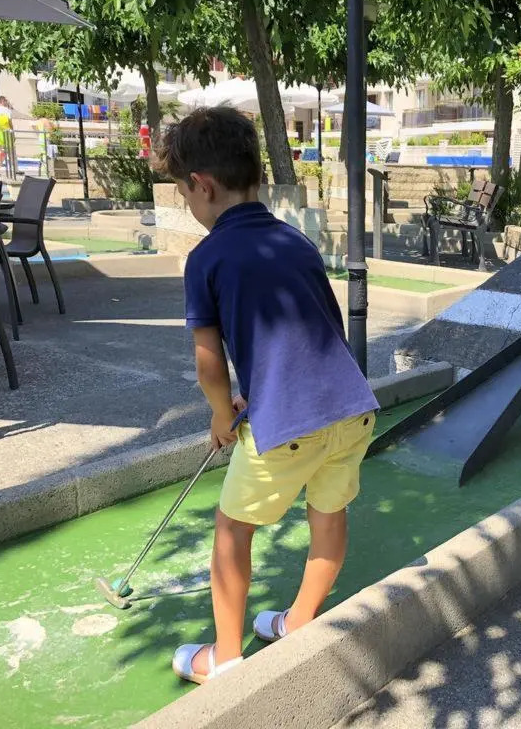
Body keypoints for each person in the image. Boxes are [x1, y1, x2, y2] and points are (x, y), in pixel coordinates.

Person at [155, 107, 379, 684]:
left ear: (201, 185)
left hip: (288, 426)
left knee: (233, 528)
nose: (187, 201)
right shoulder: (296, 241)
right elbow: (313, 336)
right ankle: (299, 621)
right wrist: (260, 392)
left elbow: (209, 361)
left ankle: (226, 658)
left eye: (183, 192)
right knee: (328, 512)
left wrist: (220, 413)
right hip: (353, 409)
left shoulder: (206, 257)